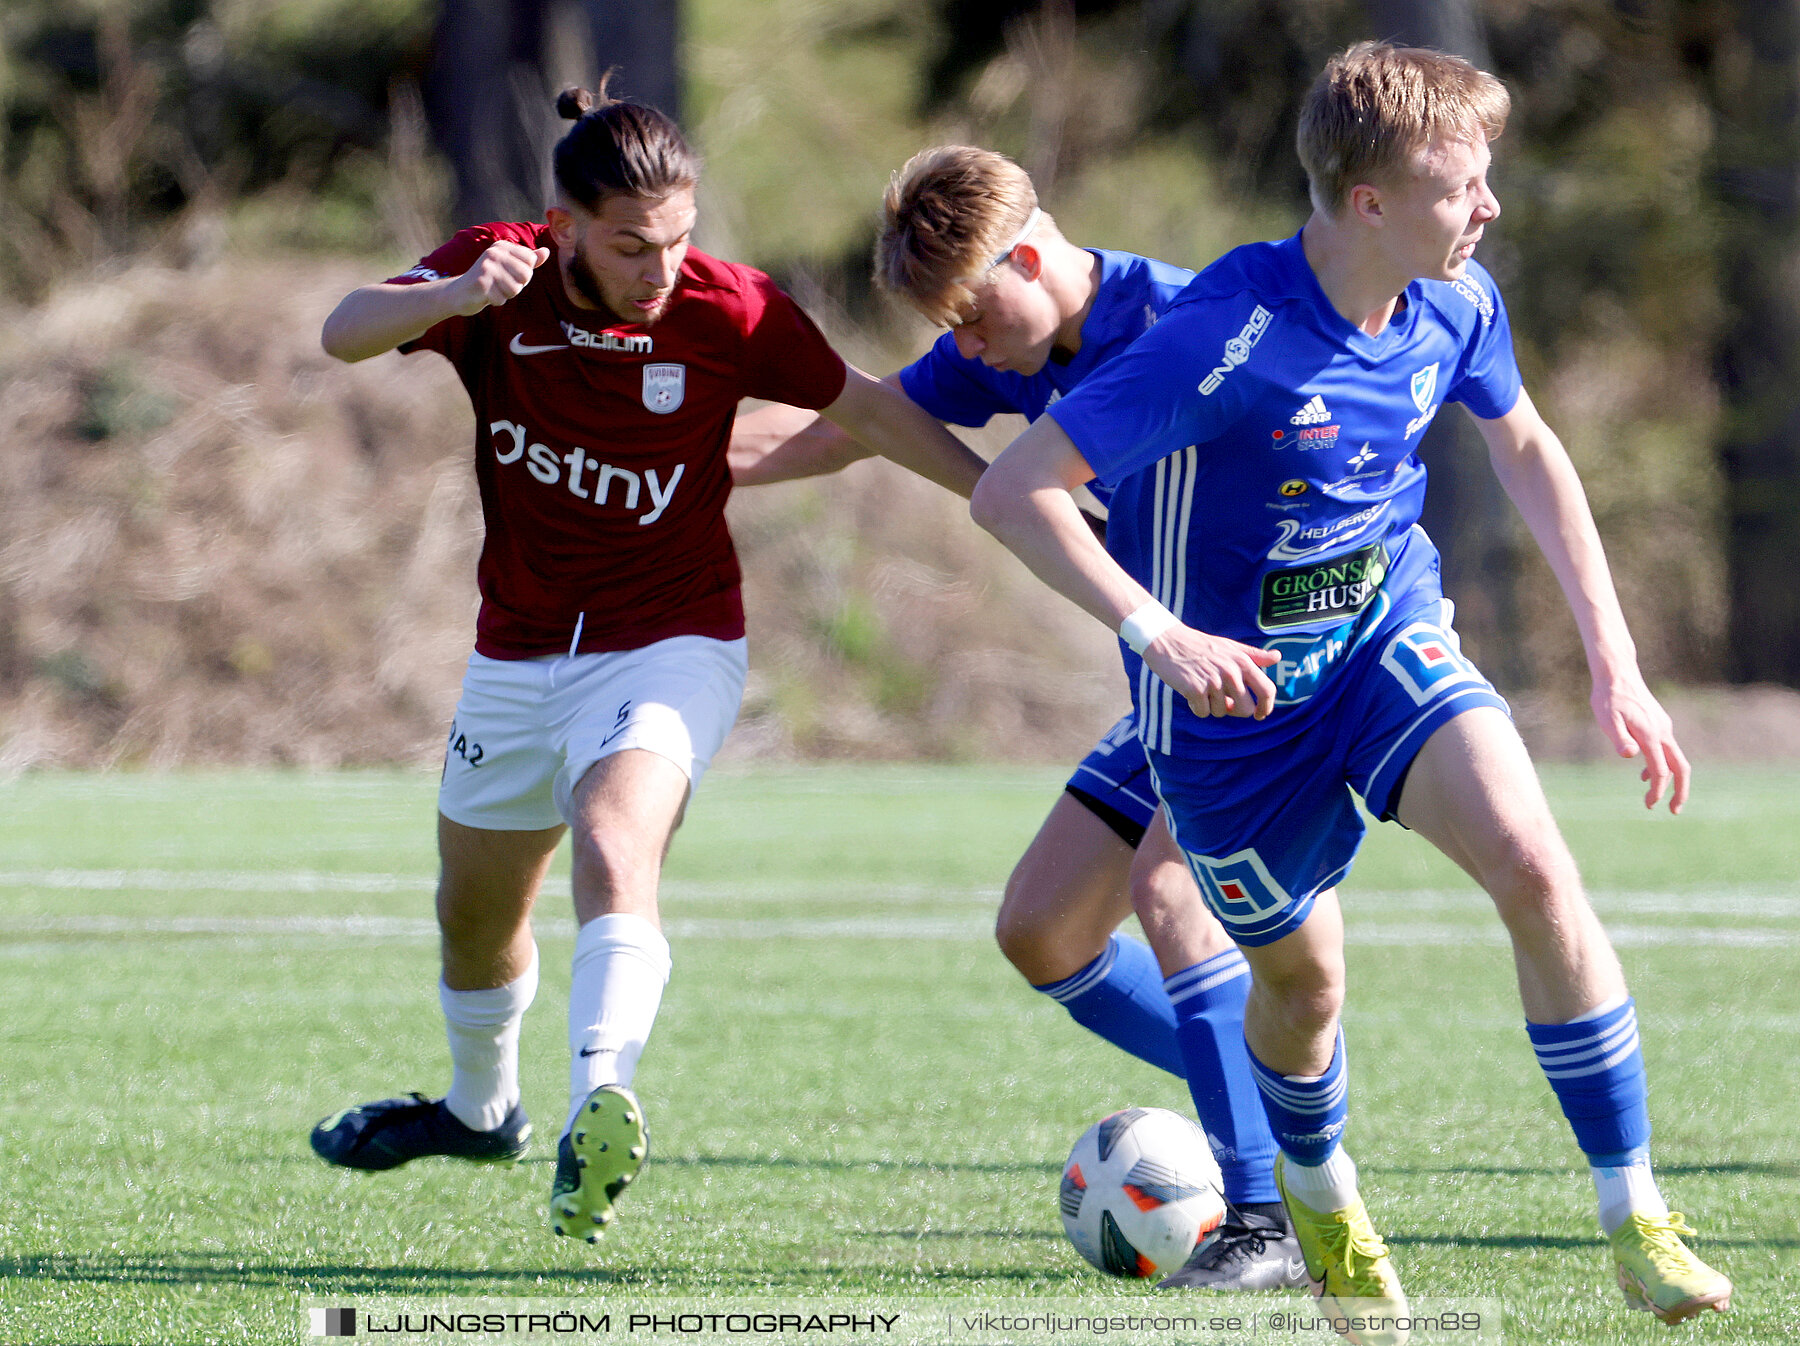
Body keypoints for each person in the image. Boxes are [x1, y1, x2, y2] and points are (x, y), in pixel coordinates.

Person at [969, 41, 1731, 1334]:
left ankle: (1637, 1212)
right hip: (1230, 725)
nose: (1488, 206)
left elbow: (1528, 445)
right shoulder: (1227, 335)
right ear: (1367, 201)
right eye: (1461, 184)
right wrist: (1159, 632)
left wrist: (1616, 656)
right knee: (1305, 989)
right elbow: (1012, 489)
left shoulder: (1457, 301)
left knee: (1539, 867)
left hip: (1385, 641)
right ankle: (1320, 1193)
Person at [306, 76, 988, 1243]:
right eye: (630, 246)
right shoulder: (497, 274)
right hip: (516, 653)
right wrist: (461, 293)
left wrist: (998, 493)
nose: (661, 266)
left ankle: (597, 1098)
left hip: (671, 641)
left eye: (678, 238)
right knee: (472, 918)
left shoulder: (729, 308)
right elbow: (343, 331)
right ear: (563, 225)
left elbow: (869, 410)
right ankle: (481, 1110)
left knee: (619, 842)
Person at [730, 145, 1308, 1291]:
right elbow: (859, 425)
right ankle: (1272, 1087)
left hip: (1272, 663)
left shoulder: (1193, 320)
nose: (968, 347)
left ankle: (1266, 1217)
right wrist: (672, 454)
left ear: (1032, 253)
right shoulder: (1008, 345)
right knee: (1043, 928)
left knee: (1170, 892)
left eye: (973, 315)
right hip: (1173, 679)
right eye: (950, 326)